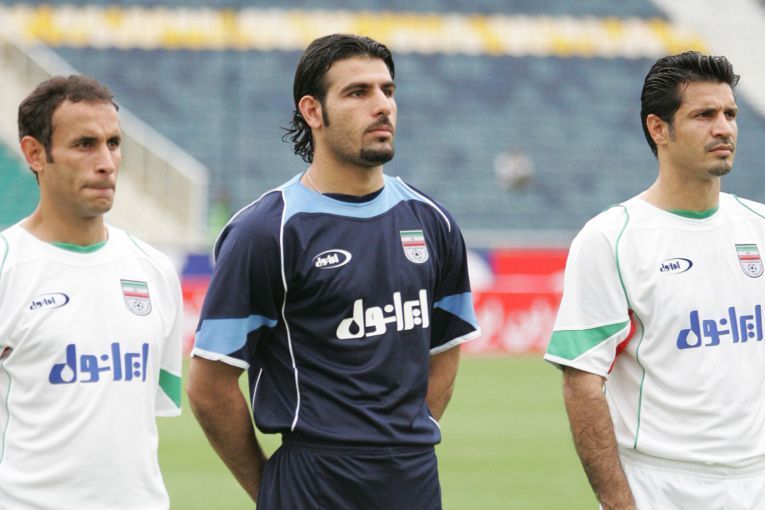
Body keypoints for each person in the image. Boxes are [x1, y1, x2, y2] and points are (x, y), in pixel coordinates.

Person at [187, 33, 480, 509]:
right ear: (313, 111)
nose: (382, 105)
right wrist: (270, 490)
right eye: (358, 92)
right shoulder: (267, 231)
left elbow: (445, 352)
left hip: (415, 480)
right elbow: (209, 388)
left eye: (387, 90)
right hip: (310, 482)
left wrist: (400, 441)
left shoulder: (433, 222)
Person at [544, 51, 765, 509]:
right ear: (658, 129)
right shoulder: (612, 238)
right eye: (704, 115)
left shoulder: (758, 226)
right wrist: (618, 502)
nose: (724, 128)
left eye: (730, 114)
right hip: (663, 486)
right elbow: (582, 382)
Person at [0, 75, 183, 509]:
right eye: (85, 144)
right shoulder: (7, 267)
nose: (106, 162)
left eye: (113, 143)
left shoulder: (155, 270)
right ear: (35, 154)